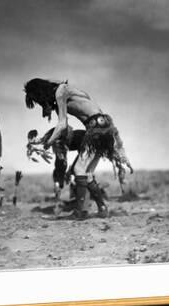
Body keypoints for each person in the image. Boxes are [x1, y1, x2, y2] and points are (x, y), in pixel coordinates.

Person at [24, 78, 133, 219]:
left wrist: (48, 143)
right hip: (103, 127)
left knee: (78, 170)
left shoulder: (60, 91)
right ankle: (102, 208)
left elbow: (62, 125)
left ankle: (79, 212)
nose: (41, 105)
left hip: (96, 128)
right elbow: (63, 129)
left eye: (38, 101)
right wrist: (42, 140)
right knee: (87, 174)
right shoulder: (68, 91)